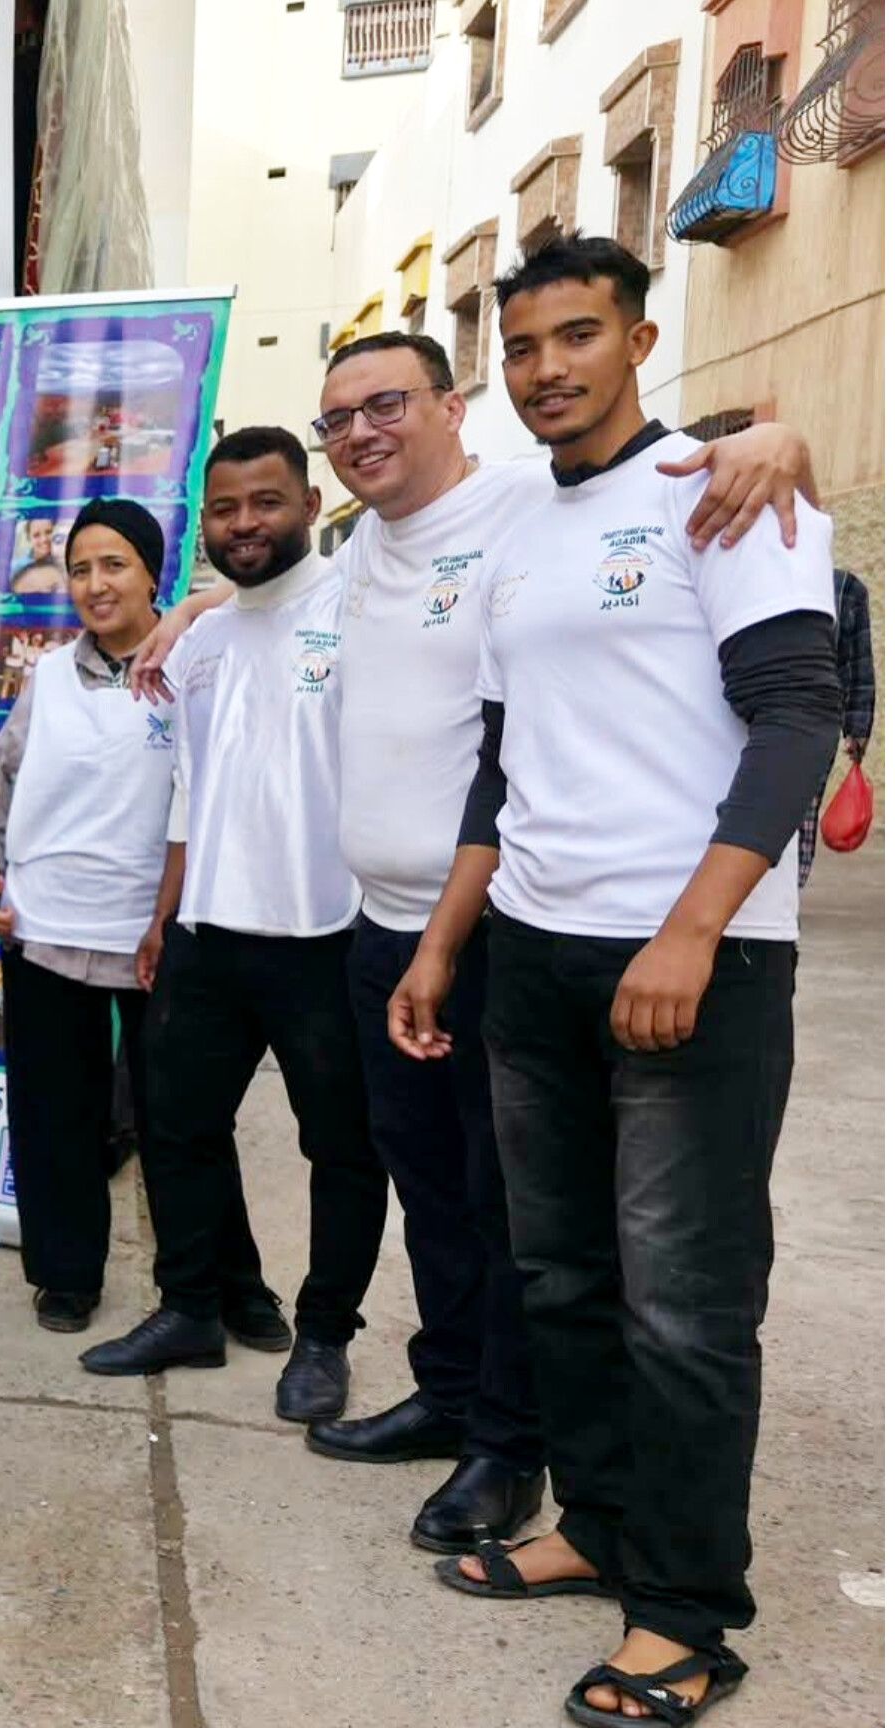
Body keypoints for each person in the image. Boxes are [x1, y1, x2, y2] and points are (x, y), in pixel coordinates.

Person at [128, 343, 814, 1549]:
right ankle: (450, 1395)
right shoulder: (358, 551)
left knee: (521, 1218)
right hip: (381, 932)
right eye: (339, 417)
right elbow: (269, 589)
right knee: (434, 1196)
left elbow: (652, 479)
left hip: (495, 929)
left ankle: (510, 1446)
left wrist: (774, 437)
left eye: (386, 404)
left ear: (453, 406)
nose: (362, 431)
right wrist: (188, 606)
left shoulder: (522, 508)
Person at [391, 235, 838, 1728]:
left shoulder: (727, 492)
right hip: (535, 955)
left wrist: (695, 929)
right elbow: (501, 761)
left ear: (641, 339)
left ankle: (690, 1614)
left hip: (692, 966)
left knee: (686, 1307)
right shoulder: (523, 527)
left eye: (578, 336)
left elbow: (796, 720)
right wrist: (445, 946)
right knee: (565, 1276)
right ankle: (595, 1523)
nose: (547, 369)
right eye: (522, 347)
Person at [77, 427, 386, 1433]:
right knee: (176, 1126)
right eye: (224, 509)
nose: (244, 523)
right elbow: (187, 786)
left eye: (266, 502)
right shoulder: (198, 642)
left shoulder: (358, 602)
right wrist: (166, 913)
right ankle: (191, 1310)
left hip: (327, 930)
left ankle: (324, 1335)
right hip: (209, 930)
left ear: (310, 504)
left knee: (340, 1147)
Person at [0, 498, 176, 1332]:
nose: (94, 584)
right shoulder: (47, 676)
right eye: (80, 569)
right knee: (55, 1114)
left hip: (157, 933)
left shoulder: (194, 665)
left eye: (114, 564)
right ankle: (67, 1273)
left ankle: (204, 1283)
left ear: (153, 573)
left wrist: (191, 615)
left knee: (178, 1119)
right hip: (44, 926)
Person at [801, 567, 874, 887]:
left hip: (818, 722)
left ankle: (791, 890)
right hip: (759, 719)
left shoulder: (846, 589)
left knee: (803, 814)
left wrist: (857, 729)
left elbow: (858, 665)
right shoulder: (756, 577)